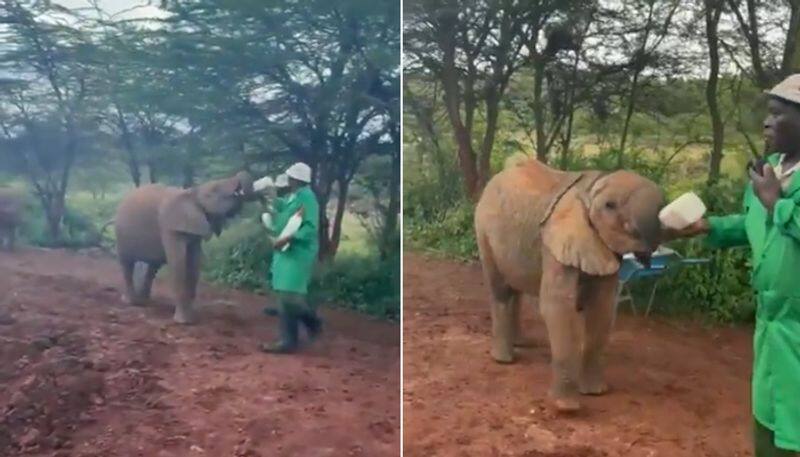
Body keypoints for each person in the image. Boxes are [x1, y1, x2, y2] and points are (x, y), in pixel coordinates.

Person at [671, 74, 800, 457]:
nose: (766, 122)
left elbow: (778, 215)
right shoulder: (769, 172)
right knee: (769, 428)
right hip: (771, 331)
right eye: (767, 113)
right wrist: (707, 226)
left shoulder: (771, 187)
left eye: (778, 115)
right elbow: (752, 225)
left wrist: (776, 202)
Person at [260, 162, 322, 354]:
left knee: (289, 296)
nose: (287, 179)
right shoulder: (294, 196)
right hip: (285, 250)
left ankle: (300, 331)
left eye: (290, 177)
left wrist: (289, 238)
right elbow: (283, 208)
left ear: (297, 179)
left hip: (297, 251)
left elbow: (310, 228)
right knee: (285, 294)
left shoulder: (308, 199)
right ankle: (297, 333)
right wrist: (270, 200)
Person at [261, 173, 291, 318]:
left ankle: (299, 311)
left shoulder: (293, 202)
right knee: (280, 276)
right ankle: (282, 306)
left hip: (291, 243)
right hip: (281, 242)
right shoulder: (282, 202)